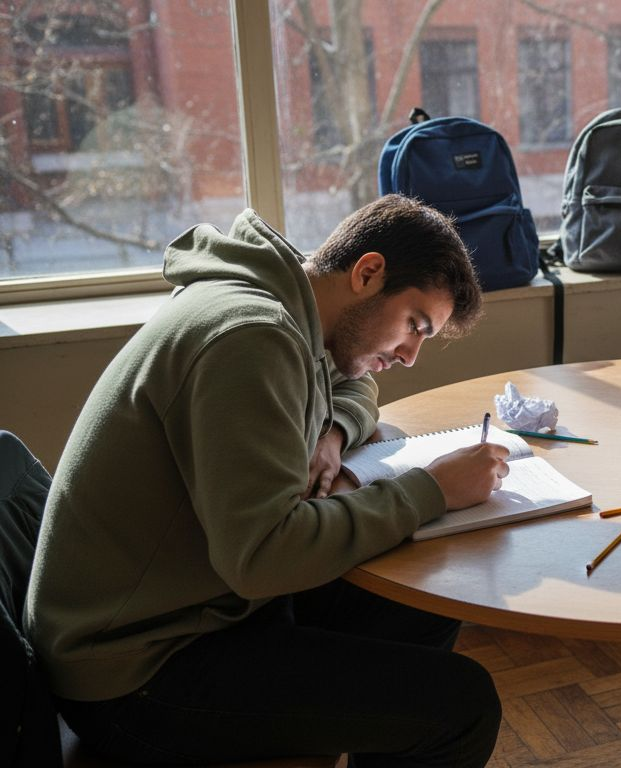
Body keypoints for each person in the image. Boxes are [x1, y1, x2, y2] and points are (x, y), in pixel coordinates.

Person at [25, 195, 507, 767]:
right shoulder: (251, 336)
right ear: (368, 272)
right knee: (461, 703)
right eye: (414, 325)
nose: (410, 355)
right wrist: (431, 490)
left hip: (197, 610)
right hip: (136, 673)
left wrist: (330, 428)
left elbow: (353, 386)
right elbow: (262, 557)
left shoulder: (289, 309)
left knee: (430, 591)